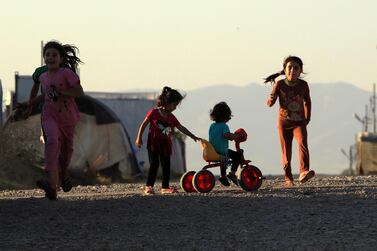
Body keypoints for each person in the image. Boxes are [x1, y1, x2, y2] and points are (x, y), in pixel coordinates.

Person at [24, 40, 84, 199]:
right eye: (47, 55)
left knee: (66, 153)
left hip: (68, 117)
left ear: (61, 59)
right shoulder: (42, 75)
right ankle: (51, 185)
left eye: (54, 55)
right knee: (52, 143)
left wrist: (64, 91)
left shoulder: (67, 73)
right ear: (44, 57)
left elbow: (79, 91)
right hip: (49, 115)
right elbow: (44, 94)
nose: (50, 58)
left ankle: (63, 175)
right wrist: (29, 103)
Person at [135, 86, 199, 195]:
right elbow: (143, 124)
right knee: (154, 164)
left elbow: (181, 127)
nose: (175, 107)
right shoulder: (154, 113)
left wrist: (192, 135)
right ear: (166, 102)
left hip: (165, 145)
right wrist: (139, 137)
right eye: (174, 104)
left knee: (166, 165)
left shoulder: (172, 118)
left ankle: (165, 187)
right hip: (153, 143)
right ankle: (149, 186)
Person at [264, 55, 315, 187]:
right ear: (285, 70)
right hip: (284, 123)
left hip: (299, 122)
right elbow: (270, 103)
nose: (293, 70)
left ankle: (304, 172)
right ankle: (288, 178)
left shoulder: (304, 85)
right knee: (286, 151)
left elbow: (307, 101)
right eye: (290, 67)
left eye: (296, 68)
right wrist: (270, 98)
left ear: (300, 70)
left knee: (303, 143)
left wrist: (307, 118)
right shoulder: (279, 84)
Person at [208, 102, 243, 186]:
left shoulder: (212, 126)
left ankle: (223, 176)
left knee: (224, 157)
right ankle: (232, 173)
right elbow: (227, 135)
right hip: (222, 151)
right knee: (238, 155)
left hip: (213, 151)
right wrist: (237, 135)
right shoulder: (224, 126)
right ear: (225, 116)